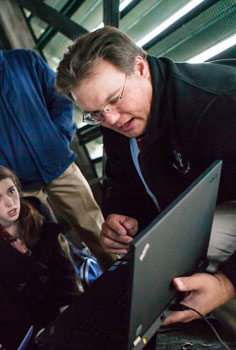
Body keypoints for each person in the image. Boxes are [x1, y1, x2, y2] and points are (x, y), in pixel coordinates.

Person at [55, 26, 236, 326]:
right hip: (207, 204)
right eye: (95, 113)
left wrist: (227, 283)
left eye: (114, 99)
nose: (109, 119)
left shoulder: (216, 108)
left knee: (188, 255)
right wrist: (118, 215)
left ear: (140, 67)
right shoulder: (117, 118)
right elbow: (119, 182)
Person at [0, 13, 114, 270]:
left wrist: (59, 137)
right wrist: (2, 173)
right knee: (48, 247)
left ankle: (124, 278)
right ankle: (76, 297)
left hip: (58, 163)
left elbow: (59, 97)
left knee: (95, 227)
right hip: (20, 186)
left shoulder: (25, 60)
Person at [0, 164, 80, 350]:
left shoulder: (36, 209)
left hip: (58, 303)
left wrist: (67, 304)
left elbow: (61, 266)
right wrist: (32, 334)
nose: (10, 202)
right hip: (23, 324)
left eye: (11, 191)